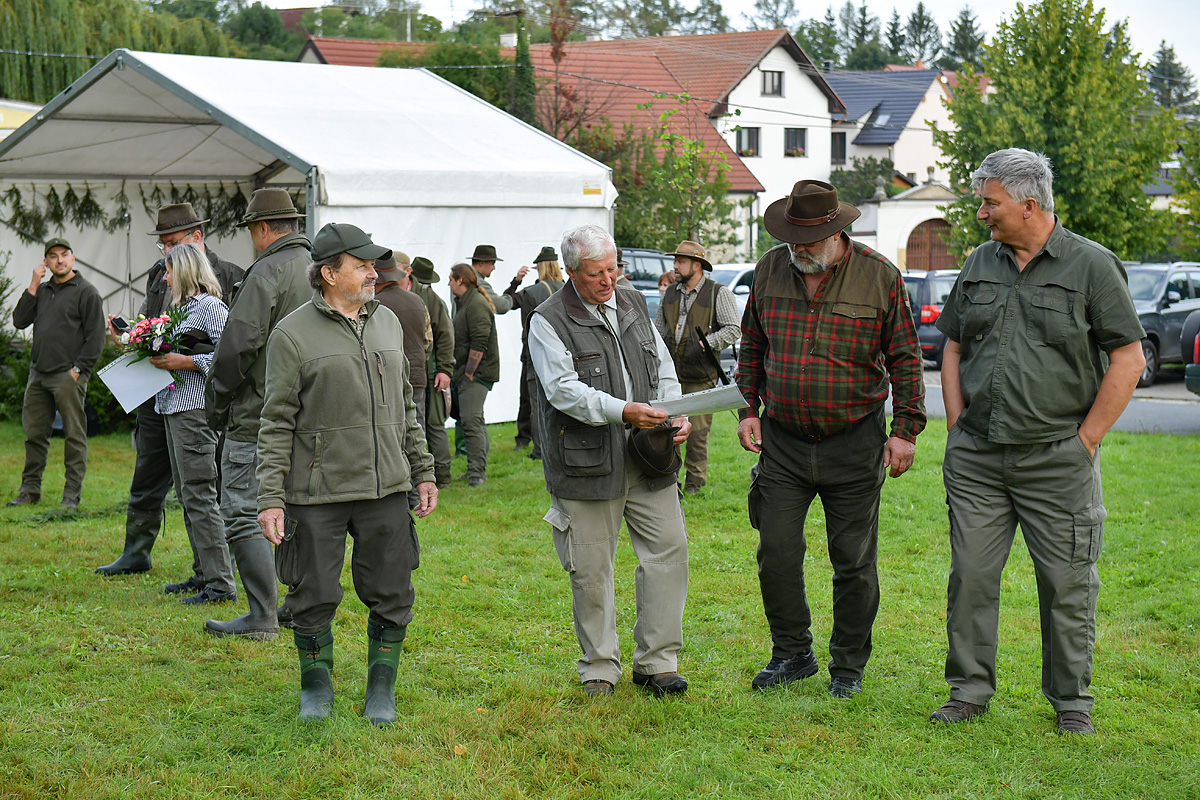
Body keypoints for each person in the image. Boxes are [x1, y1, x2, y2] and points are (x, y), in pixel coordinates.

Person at [928, 149, 1145, 735]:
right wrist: (956, 424)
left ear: (1029, 204)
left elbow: (1128, 359)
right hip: (978, 458)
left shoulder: (1092, 266)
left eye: (990, 203)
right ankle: (969, 691)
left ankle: (1071, 701)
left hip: (1057, 459)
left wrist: (1085, 442)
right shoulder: (980, 261)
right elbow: (953, 346)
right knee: (971, 577)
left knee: (1067, 585)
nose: (981, 213)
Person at [736, 180, 926, 699]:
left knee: (854, 562)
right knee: (776, 551)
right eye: (791, 239)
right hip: (782, 442)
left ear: (837, 232)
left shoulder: (880, 276)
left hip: (855, 441)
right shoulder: (769, 270)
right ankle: (791, 653)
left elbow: (906, 358)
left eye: (809, 241)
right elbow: (751, 345)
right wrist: (748, 409)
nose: (798, 249)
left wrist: (905, 431)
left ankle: (848, 665)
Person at [256, 222, 437, 725]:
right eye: (361, 266)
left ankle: (382, 687)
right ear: (329, 274)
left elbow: (406, 404)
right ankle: (316, 687)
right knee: (312, 595)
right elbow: (275, 422)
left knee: (393, 591)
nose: (373, 274)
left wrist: (422, 470)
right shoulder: (291, 334)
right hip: (318, 492)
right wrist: (270, 497)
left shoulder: (388, 323)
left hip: (387, 487)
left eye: (373, 265)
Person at [528, 224, 692, 697]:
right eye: (596, 273)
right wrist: (624, 411)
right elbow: (562, 390)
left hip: (649, 456)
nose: (609, 280)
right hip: (587, 464)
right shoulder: (547, 320)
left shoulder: (633, 301)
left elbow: (661, 365)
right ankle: (599, 668)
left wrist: (674, 412)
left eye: (613, 268)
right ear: (571, 272)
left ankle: (657, 662)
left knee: (669, 553)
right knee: (591, 570)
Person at [97, 203, 244, 577]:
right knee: (154, 473)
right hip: (159, 395)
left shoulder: (229, 277)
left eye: (173, 243)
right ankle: (140, 553)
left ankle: (217, 571)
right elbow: (154, 325)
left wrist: (186, 361)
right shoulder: (160, 274)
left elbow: (233, 350)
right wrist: (131, 337)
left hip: (199, 402)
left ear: (197, 237)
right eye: (162, 245)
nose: (166, 254)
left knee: (203, 486)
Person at [203, 188, 312, 640]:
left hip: (259, 413)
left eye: (251, 229)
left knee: (244, 510)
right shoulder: (321, 267)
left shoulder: (267, 271)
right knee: (300, 511)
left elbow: (237, 348)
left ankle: (262, 615)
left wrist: (218, 401)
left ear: (263, 228)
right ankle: (300, 606)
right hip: (311, 412)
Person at [144, 242, 236, 604]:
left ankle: (220, 584)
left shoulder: (211, 307)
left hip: (195, 410)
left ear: (184, 271)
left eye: (168, 272)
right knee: (187, 494)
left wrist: (186, 362)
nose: (165, 279)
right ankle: (204, 574)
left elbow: (231, 358)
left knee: (199, 493)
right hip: (173, 407)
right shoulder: (181, 309)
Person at [8, 238, 105, 508]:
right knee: (34, 436)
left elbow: (96, 338)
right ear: (46, 262)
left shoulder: (87, 292)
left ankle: (71, 495)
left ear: (73, 258)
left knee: (74, 436)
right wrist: (33, 285)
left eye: (64, 254)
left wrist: (79, 370)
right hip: (38, 373)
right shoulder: (42, 290)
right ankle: (30, 491)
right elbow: (19, 321)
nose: (59, 260)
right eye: (53, 256)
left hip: (68, 375)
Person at [655, 240, 740, 494]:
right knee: (669, 431)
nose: (675, 266)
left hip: (702, 375)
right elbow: (658, 330)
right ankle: (671, 482)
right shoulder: (670, 293)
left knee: (697, 434)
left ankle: (695, 483)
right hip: (671, 375)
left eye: (681, 261)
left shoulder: (718, 292)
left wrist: (706, 343)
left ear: (697, 264)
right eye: (675, 261)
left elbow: (734, 328)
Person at [503, 246, 565, 459]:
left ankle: (539, 449)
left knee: (534, 400)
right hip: (563, 353)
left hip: (534, 354)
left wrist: (516, 281)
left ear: (540, 267)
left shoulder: (531, 292)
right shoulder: (568, 289)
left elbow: (506, 302)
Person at [448, 263, 499, 487]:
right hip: (470, 372)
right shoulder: (465, 301)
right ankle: (475, 470)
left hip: (477, 373)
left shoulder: (476, 303)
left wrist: (469, 373)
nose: (449, 283)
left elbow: (480, 340)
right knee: (475, 420)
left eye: (451, 279)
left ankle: (477, 473)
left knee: (470, 421)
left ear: (460, 280)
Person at [409, 256, 455, 487]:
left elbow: (445, 335)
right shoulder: (419, 297)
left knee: (434, 425)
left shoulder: (432, 300)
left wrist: (444, 369)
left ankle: (443, 476)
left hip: (432, 371)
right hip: (422, 371)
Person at [467, 244, 515, 314]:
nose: (494, 268)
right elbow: (502, 306)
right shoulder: (477, 282)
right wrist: (511, 298)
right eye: (492, 263)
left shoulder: (461, 278)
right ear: (481, 263)